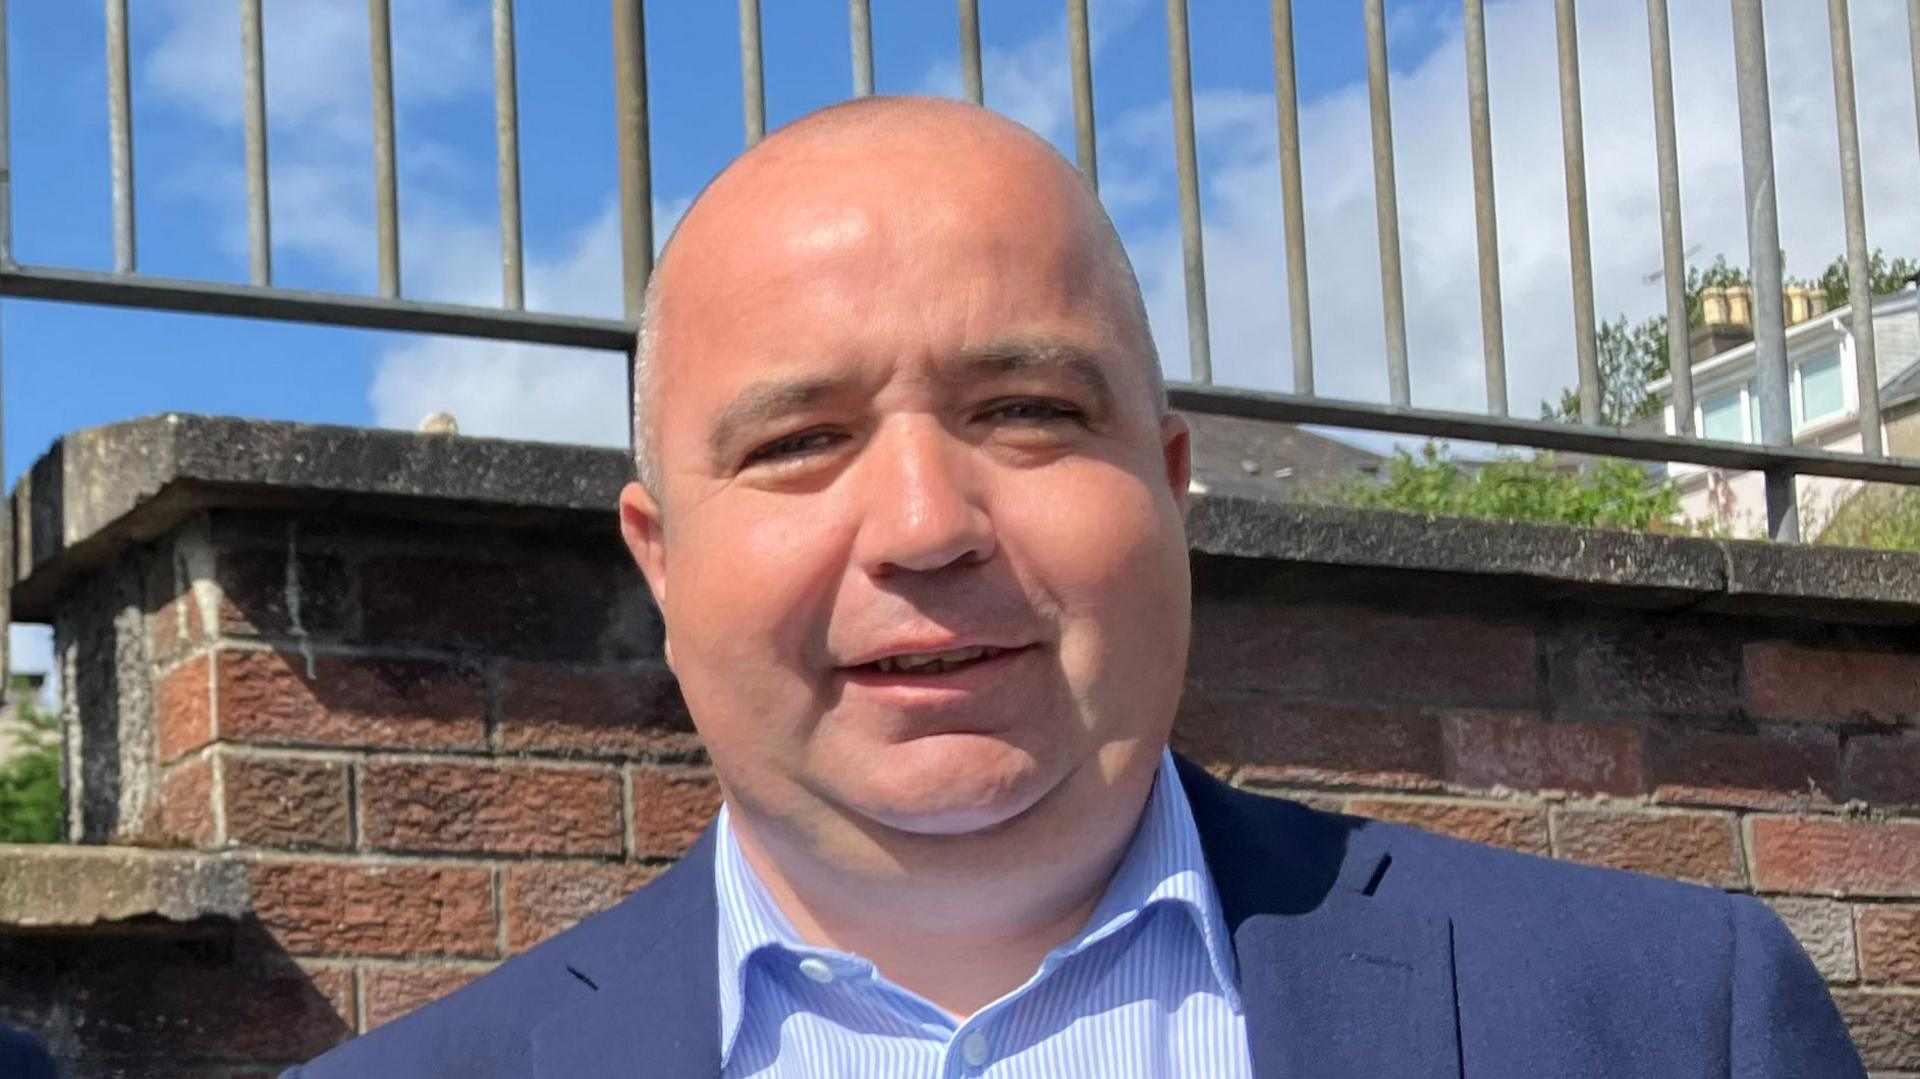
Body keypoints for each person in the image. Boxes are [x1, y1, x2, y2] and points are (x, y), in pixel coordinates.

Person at [284, 96, 1863, 1078]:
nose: (921, 522)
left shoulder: (1665, 1026)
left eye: (1025, 412)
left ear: (1170, 488)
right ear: (661, 556)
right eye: (799, 439)